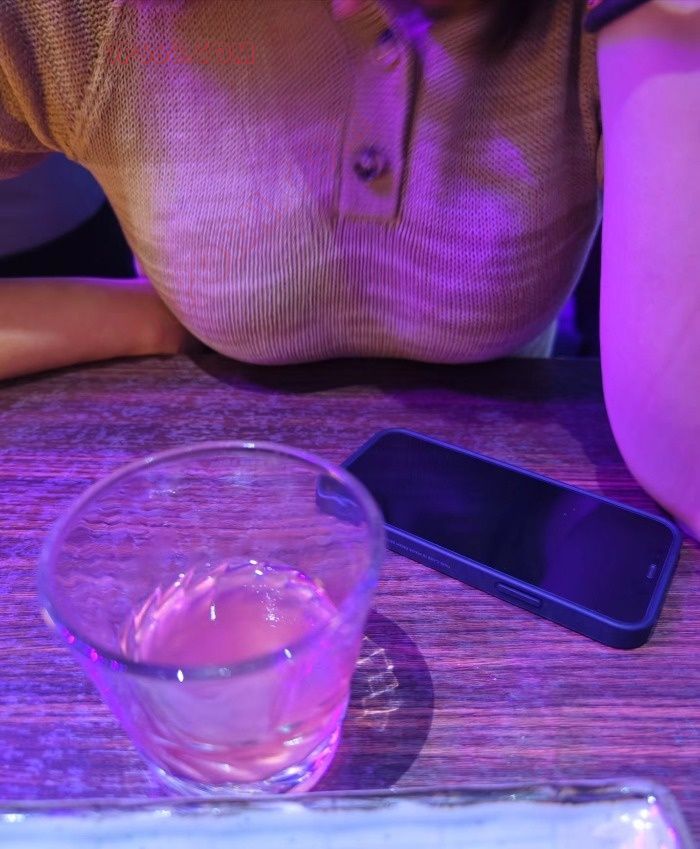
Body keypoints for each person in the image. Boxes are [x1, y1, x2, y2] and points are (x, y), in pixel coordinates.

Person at [0, 0, 697, 539]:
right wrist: (146, 320)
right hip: (203, 523)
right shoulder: (87, 21)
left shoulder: (591, 25)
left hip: (507, 529)